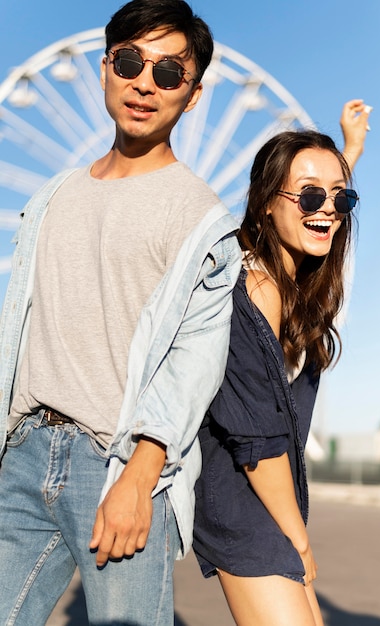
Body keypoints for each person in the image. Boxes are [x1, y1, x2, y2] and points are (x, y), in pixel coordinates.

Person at [0, 1, 241, 624]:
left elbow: (197, 359)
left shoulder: (201, 216)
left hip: (119, 465)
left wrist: (142, 473)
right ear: (105, 68)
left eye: (169, 73)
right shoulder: (51, 197)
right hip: (22, 451)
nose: (144, 83)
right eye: (131, 61)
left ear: (192, 96)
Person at [192, 113, 370, 625]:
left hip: (268, 500)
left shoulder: (293, 282)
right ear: (267, 203)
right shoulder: (255, 289)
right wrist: (300, 539)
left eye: (342, 197)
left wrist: (349, 152)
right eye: (311, 196)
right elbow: (258, 443)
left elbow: (316, 203)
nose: (330, 210)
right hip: (242, 497)